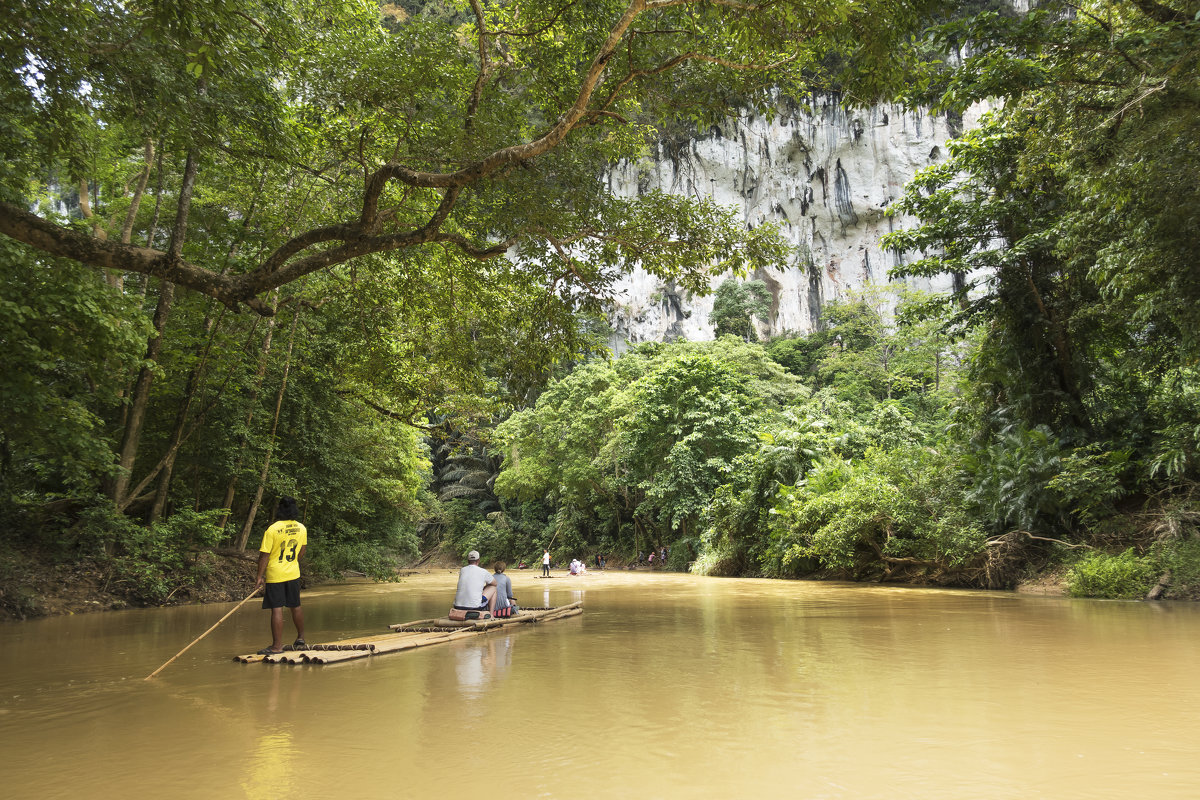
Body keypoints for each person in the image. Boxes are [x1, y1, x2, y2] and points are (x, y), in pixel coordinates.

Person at [254, 496, 307, 655]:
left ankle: (277, 646)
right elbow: (302, 551)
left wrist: (259, 577)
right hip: (293, 572)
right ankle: (301, 638)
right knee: (295, 606)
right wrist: (292, 563)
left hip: (276, 574)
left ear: (280, 509)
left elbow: (264, 555)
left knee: (277, 609)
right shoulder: (301, 528)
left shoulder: (273, 529)